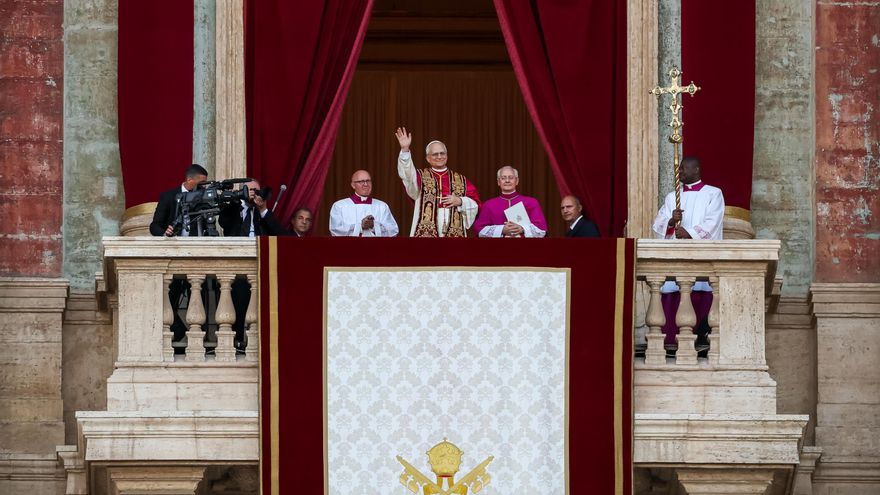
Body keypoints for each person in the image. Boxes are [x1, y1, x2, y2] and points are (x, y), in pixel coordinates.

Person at [651, 156, 725, 353]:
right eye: (679, 169)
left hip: (700, 258)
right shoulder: (671, 197)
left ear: (697, 169)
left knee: (699, 296)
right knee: (673, 295)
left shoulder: (713, 194)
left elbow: (713, 222)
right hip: (676, 257)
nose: (680, 172)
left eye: (683, 168)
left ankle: (699, 342)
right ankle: (670, 345)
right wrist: (670, 221)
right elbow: (658, 223)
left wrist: (689, 233)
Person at [395, 127, 480, 237]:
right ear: (428, 158)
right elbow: (407, 175)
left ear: (447, 156)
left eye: (442, 153)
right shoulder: (419, 176)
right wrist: (405, 150)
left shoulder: (461, 179)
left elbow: (476, 205)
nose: (439, 157)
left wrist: (460, 201)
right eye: (435, 154)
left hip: (454, 229)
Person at [473, 166, 547, 237]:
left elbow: (541, 230)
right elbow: (479, 230)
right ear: (498, 182)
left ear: (517, 181)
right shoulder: (489, 205)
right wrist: (501, 229)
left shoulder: (531, 202)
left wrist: (522, 229)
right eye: (503, 178)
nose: (507, 180)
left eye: (511, 178)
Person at [329, 170, 399, 237]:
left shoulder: (382, 206)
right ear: (353, 185)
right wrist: (360, 226)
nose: (366, 184)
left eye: (368, 181)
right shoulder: (340, 206)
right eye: (361, 181)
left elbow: (393, 230)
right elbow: (335, 230)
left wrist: (374, 226)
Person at [150, 164, 209, 237]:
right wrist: (165, 233)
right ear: (190, 180)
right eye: (202, 183)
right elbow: (154, 226)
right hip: (174, 244)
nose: (204, 186)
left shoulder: (204, 197)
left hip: (197, 244)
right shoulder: (168, 197)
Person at [218, 179, 289, 237]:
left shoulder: (260, 212)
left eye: (257, 191)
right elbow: (223, 222)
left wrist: (263, 210)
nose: (255, 193)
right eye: (251, 190)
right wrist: (235, 201)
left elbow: (279, 233)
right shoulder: (234, 207)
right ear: (242, 191)